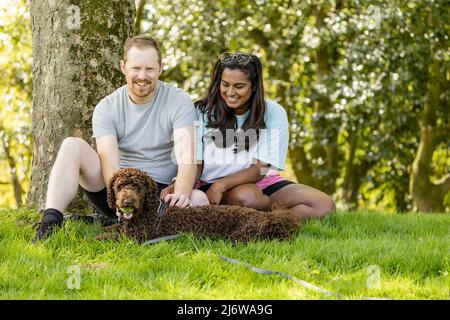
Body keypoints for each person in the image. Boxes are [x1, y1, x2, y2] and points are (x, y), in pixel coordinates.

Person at [33, 35, 206, 242]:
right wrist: (122, 200)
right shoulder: (107, 107)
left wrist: (182, 194)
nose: (142, 76)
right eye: (136, 68)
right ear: (123, 67)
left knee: (199, 200)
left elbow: (187, 157)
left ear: (161, 68)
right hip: (119, 189)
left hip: (158, 193)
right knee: (72, 145)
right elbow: (110, 165)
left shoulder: (179, 100)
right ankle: (50, 223)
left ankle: (136, 225)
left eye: (150, 69)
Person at [182, 52, 335, 219]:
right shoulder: (202, 111)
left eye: (239, 86)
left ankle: (263, 221)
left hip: (259, 181)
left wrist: (221, 185)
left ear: (254, 85)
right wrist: (184, 185)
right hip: (209, 186)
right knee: (246, 198)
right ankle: (261, 216)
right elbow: (196, 163)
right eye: (225, 84)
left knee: (323, 205)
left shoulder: (273, 112)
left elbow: (261, 169)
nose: (230, 92)